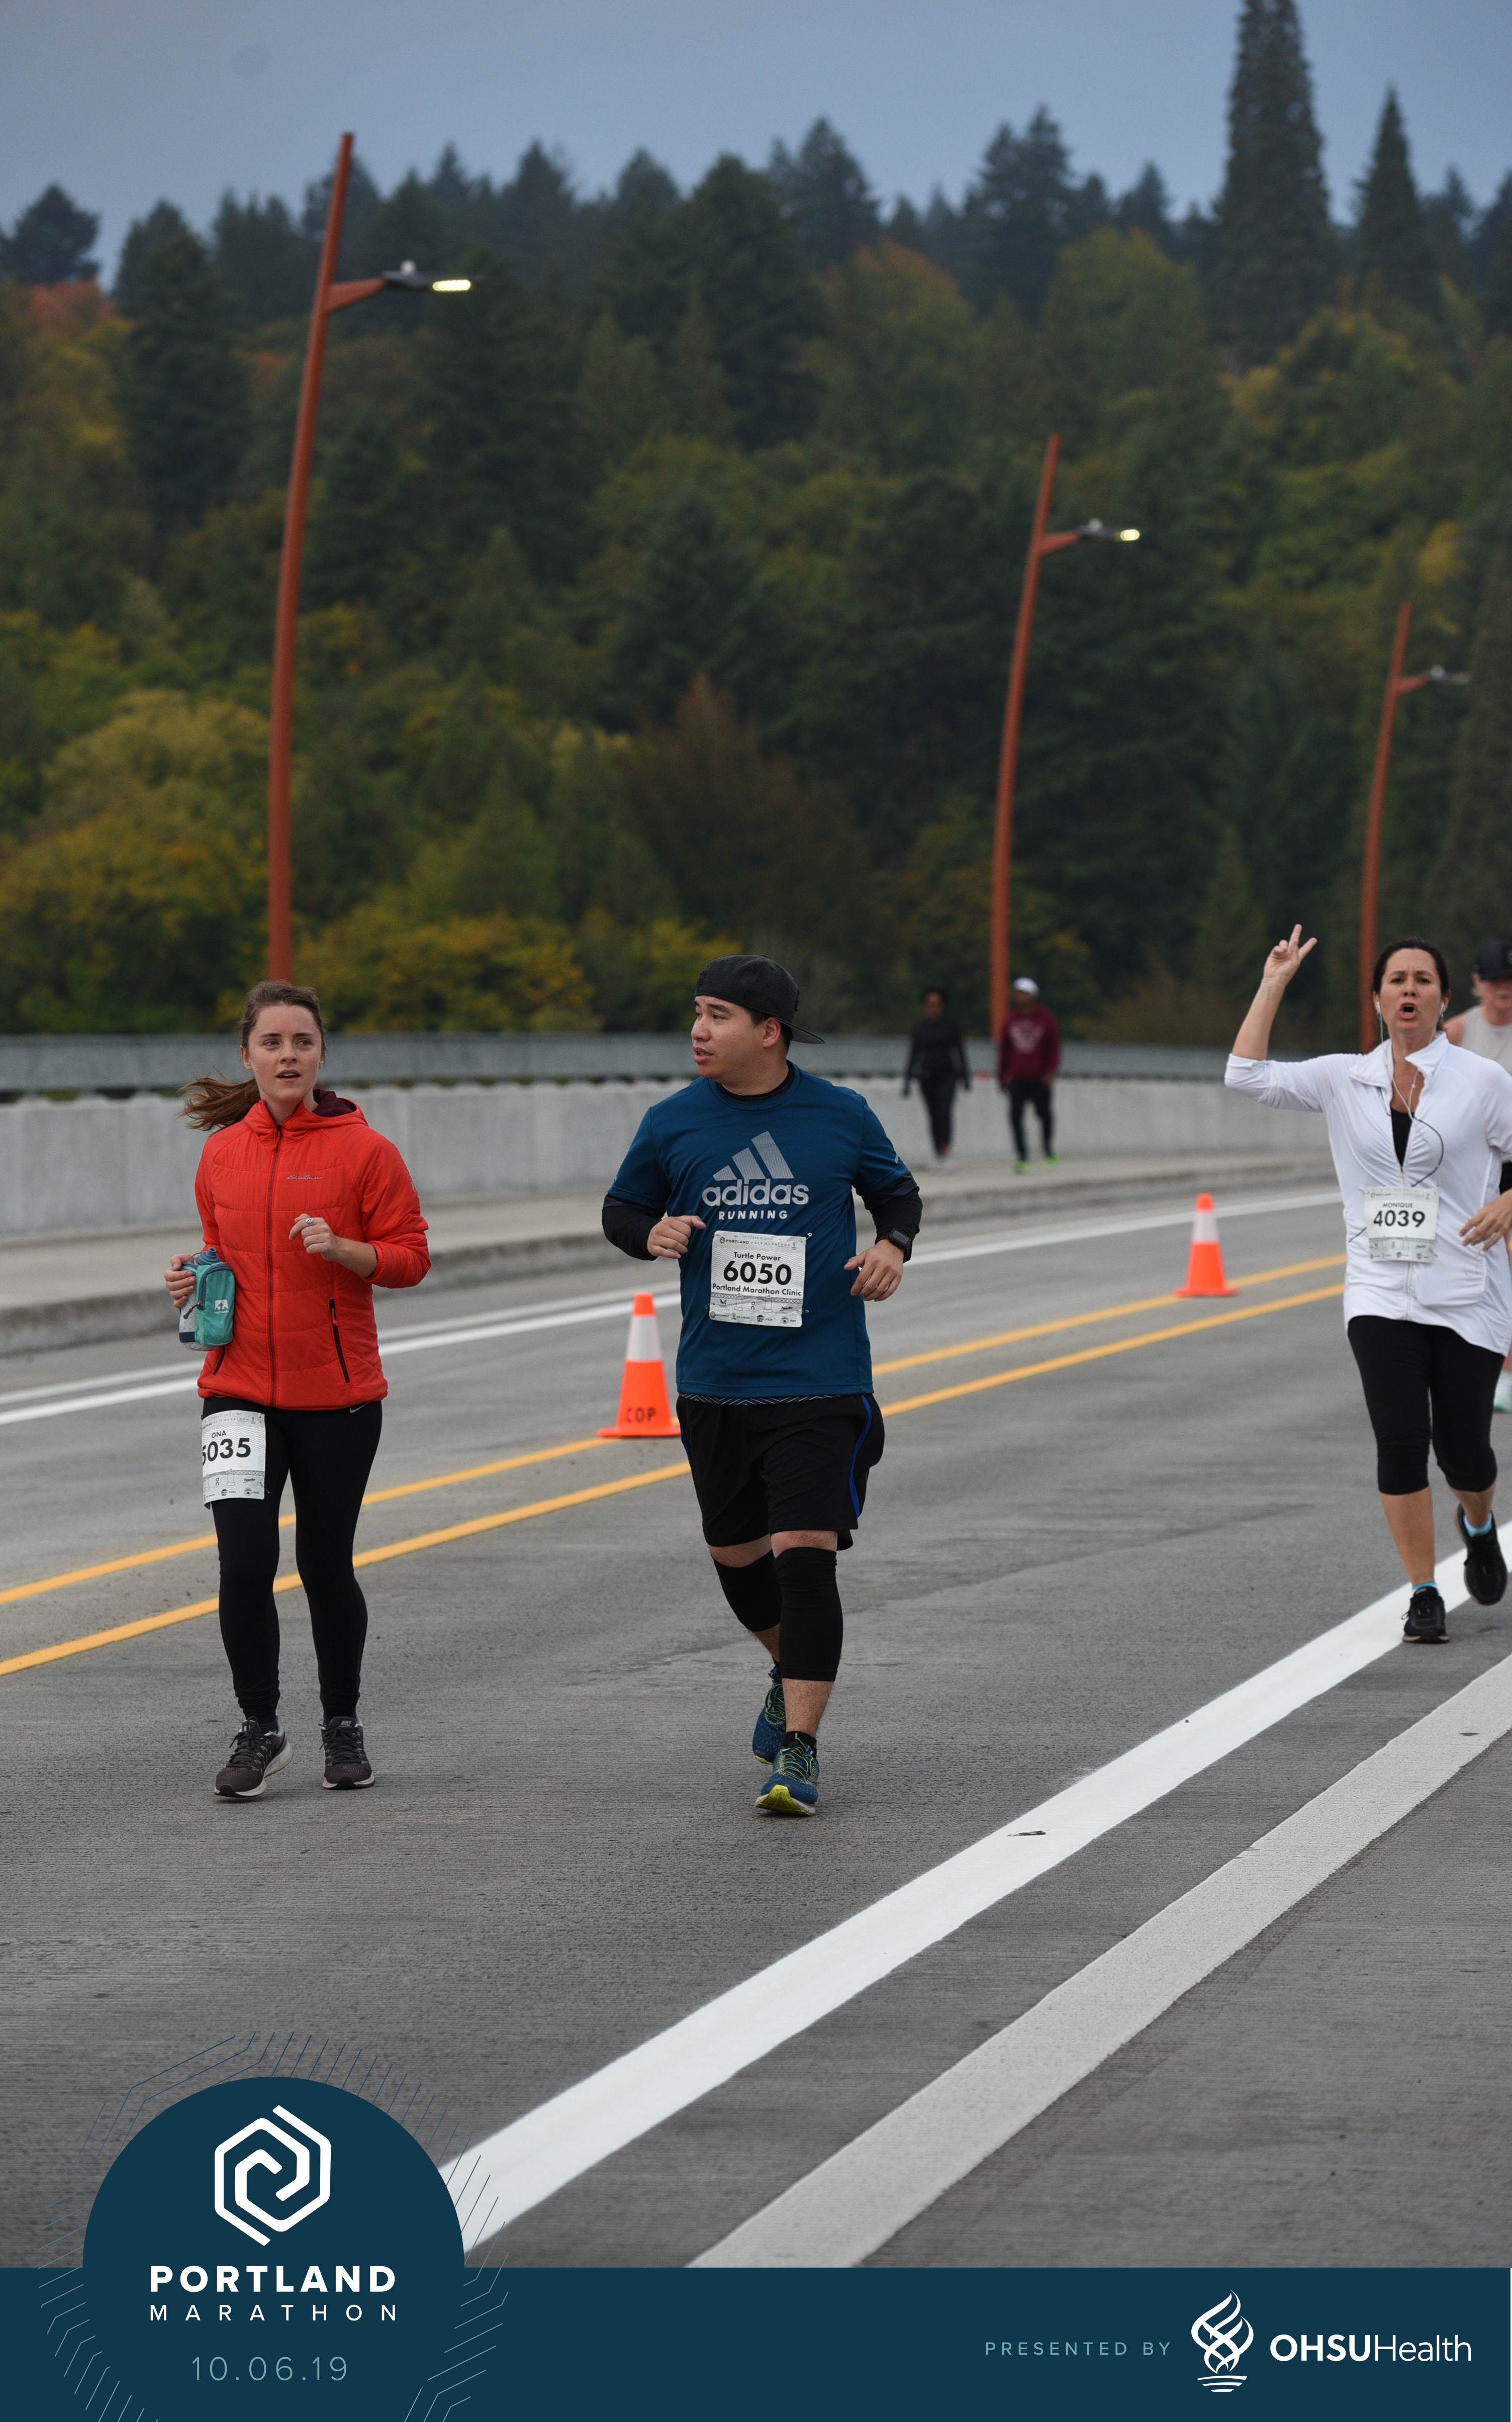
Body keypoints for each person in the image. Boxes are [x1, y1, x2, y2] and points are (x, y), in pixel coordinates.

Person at [601, 954, 921, 1816]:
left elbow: (897, 1195)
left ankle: (800, 1748)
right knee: (739, 1562)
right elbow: (620, 1210)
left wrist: (890, 1246)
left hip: (819, 1380)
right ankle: (787, 1669)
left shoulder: (840, 1113)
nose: (698, 1031)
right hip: (716, 1382)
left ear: (769, 1031)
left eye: (718, 1015)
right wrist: (650, 1232)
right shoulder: (673, 1121)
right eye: (696, 1012)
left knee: (804, 1558)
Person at [164, 982, 430, 1799]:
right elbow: (220, 1253)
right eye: (273, 1042)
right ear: (247, 1054)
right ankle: (260, 1726)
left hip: (337, 1396)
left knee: (324, 1563)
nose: (288, 1055)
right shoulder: (221, 1153)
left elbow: (411, 1257)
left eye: (302, 1042)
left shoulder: (366, 1151)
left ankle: (342, 1722)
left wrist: (346, 1248)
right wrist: (192, 1279)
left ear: (321, 1055)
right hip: (236, 1388)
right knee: (244, 1563)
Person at [1227, 928, 1512, 1642]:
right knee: (1399, 1438)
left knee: (1464, 1452)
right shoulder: (1342, 1078)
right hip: (1379, 1290)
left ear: (1444, 999)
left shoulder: (1482, 1081)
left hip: (1468, 1290)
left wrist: (1509, 1201)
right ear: (1378, 1000)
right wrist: (1273, 983)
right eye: (1396, 980)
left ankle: (1479, 1523)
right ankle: (1423, 1590)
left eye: (1423, 980)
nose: (1409, 989)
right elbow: (1245, 1075)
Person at [1446, 938, 1512, 1413]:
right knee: (1476, 1268)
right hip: (1472, 1165)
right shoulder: (1456, 1031)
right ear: (1477, 983)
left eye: (1511, 982)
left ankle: (1506, 1372)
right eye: (1494, 981)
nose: (1503, 991)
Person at [903, 985, 971, 1171]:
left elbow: (960, 1051)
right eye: (930, 1005)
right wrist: (907, 1080)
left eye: (936, 1004)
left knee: (944, 1112)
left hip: (947, 1076)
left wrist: (965, 1076)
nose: (933, 1008)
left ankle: (945, 1151)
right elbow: (914, 1053)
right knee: (933, 1116)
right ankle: (937, 1153)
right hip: (926, 1077)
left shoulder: (951, 1026)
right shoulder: (921, 1027)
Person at [997, 976, 1061, 1172]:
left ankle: (1048, 1149)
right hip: (1018, 1077)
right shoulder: (1011, 1020)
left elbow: (1054, 1047)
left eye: (1025, 994)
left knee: (1044, 1114)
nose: (1021, 997)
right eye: (1019, 994)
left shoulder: (1046, 1019)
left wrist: (1050, 1071)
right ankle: (1022, 1155)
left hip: (1040, 1077)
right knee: (1016, 1116)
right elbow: (1005, 1050)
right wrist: (1002, 1075)